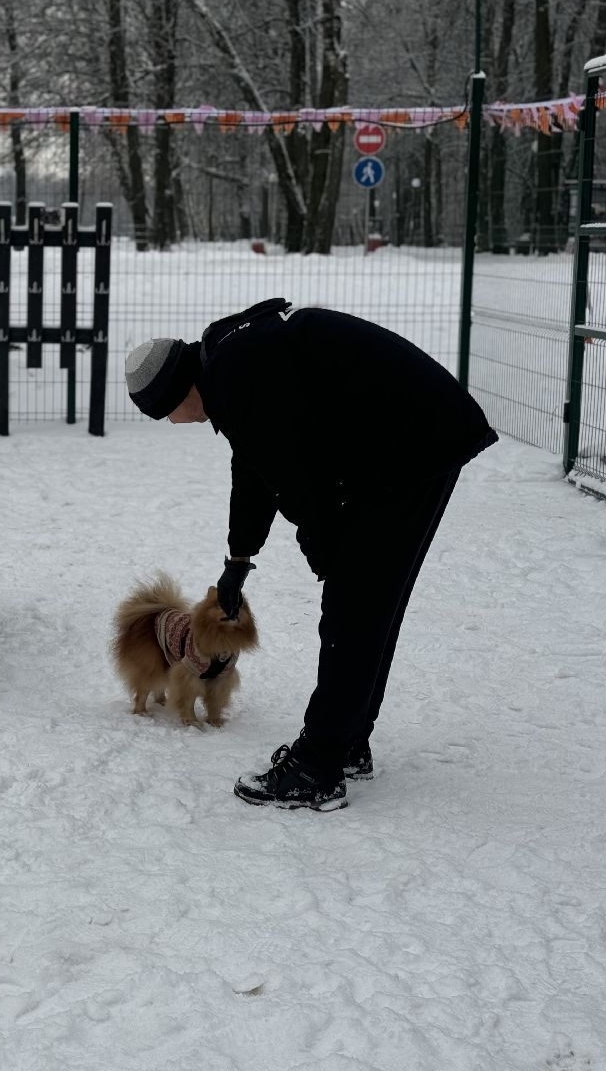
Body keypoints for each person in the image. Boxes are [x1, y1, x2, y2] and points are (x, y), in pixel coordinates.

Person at [124, 298, 498, 811]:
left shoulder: (238, 374)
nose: (172, 422)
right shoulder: (230, 366)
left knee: (354, 612)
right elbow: (255, 467)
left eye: (165, 411)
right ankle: (344, 746)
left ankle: (318, 767)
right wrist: (239, 559)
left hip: (410, 448)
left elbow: (300, 478)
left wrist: (326, 552)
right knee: (368, 607)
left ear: (175, 390)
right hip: (414, 440)